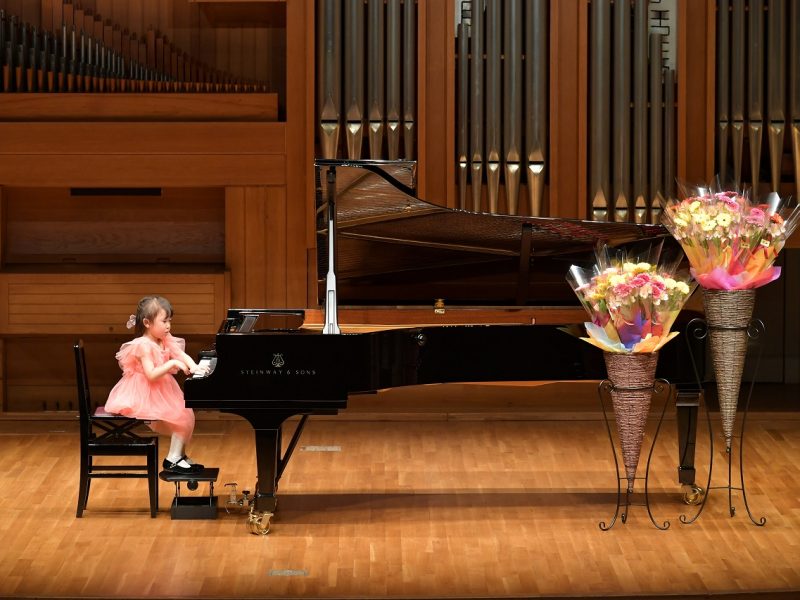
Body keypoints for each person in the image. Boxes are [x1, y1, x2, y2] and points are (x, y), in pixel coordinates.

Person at [104, 295, 208, 474]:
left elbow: (181, 355)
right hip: (143, 390)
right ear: (147, 322)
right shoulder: (143, 345)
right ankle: (172, 459)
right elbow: (151, 375)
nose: (168, 326)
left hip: (162, 386)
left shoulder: (164, 338)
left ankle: (179, 455)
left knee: (186, 413)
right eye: (164, 321)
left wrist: (194, 367)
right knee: (181, 415)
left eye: (170, 321)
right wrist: (172, 364)